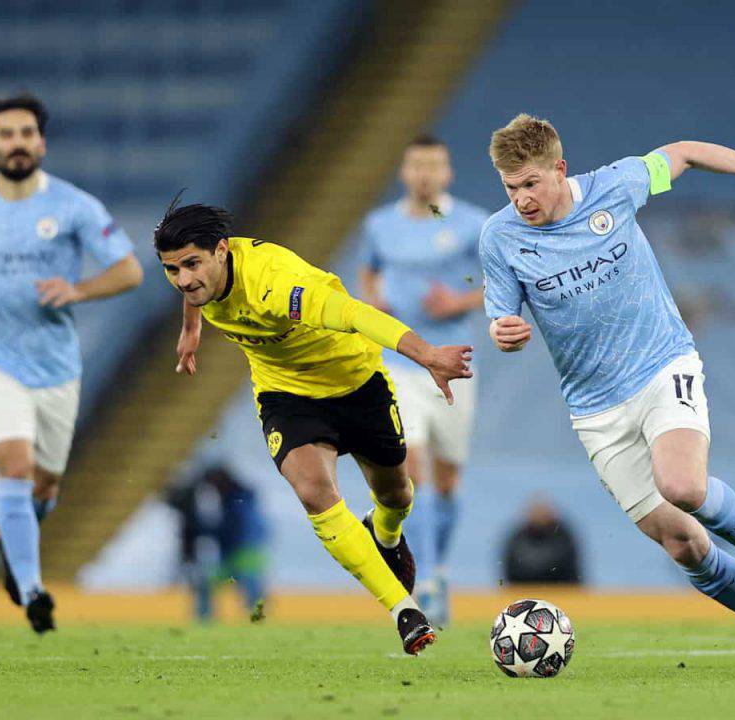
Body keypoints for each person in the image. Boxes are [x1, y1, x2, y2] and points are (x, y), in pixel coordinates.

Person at [480, 114, 735, 675]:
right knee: (684, 546)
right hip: (595, 409)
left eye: (530, 184)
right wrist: (504, 332)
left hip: (661, 366)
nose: (521, 199)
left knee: (683, 485)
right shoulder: (500, 237)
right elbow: (503, 319)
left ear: (559, 169)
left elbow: (688, 150)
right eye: (510, 188)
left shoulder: (616, 186)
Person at [158, 201, 472, 655]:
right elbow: (192, 293)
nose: (184, 279)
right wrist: (191, 330)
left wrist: (428, 357)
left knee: (397, 496)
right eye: (172, 270)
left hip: (356, 383)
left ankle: (384, 533)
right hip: (287, 397)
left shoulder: (277, 284)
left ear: (222, 251)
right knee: (313, 491)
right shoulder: (198, 279)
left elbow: (356, 315)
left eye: (191, 265)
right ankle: (404, 610)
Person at [0, 94, 144, 633]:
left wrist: (77, 290)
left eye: (26, 133)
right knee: (15, 468)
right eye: (6, 134)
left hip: (55, 366)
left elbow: (129, 271)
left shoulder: (74, 207)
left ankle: (14, 536)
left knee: (43, 486)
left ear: (41, 143)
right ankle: (31, 590)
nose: (17, 143)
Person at [358, 135, 488, 624]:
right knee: (411, 468)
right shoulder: (380, 224)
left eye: (435, 165)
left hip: (454, 362)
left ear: (448, 172)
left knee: (448, 480)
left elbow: (500, 280)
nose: (426, 174)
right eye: (417, 165)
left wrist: (458, 302)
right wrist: (375, 302)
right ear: (404, 171)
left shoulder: (473, 224)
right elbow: (368, 273)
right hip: (400, 363)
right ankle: (425, 580)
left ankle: (440, 567)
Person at [165, 465, 268, 622]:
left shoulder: (237, 501)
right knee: (244, 588)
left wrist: (200, 528)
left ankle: (207, 619)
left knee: (249, 587)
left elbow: (231, 529)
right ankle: (253, 621)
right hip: (241, 554)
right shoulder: (242, 498)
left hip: (242, 554)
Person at [502, 497, 581, 585]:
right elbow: (511, 566)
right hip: (523, 590)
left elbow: (567, 566)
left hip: (561, 590)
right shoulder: (518, 538)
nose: (540, 517)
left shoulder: (563, 536)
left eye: (543, 514)